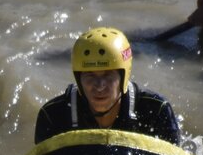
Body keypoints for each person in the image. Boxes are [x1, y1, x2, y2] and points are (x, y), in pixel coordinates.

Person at [33, 27, 181, 145]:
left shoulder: (157, 111)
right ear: (78, 78)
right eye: (90, 76)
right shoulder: (53, 115)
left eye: (108, 76)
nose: (99, 86)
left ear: (124, 76)